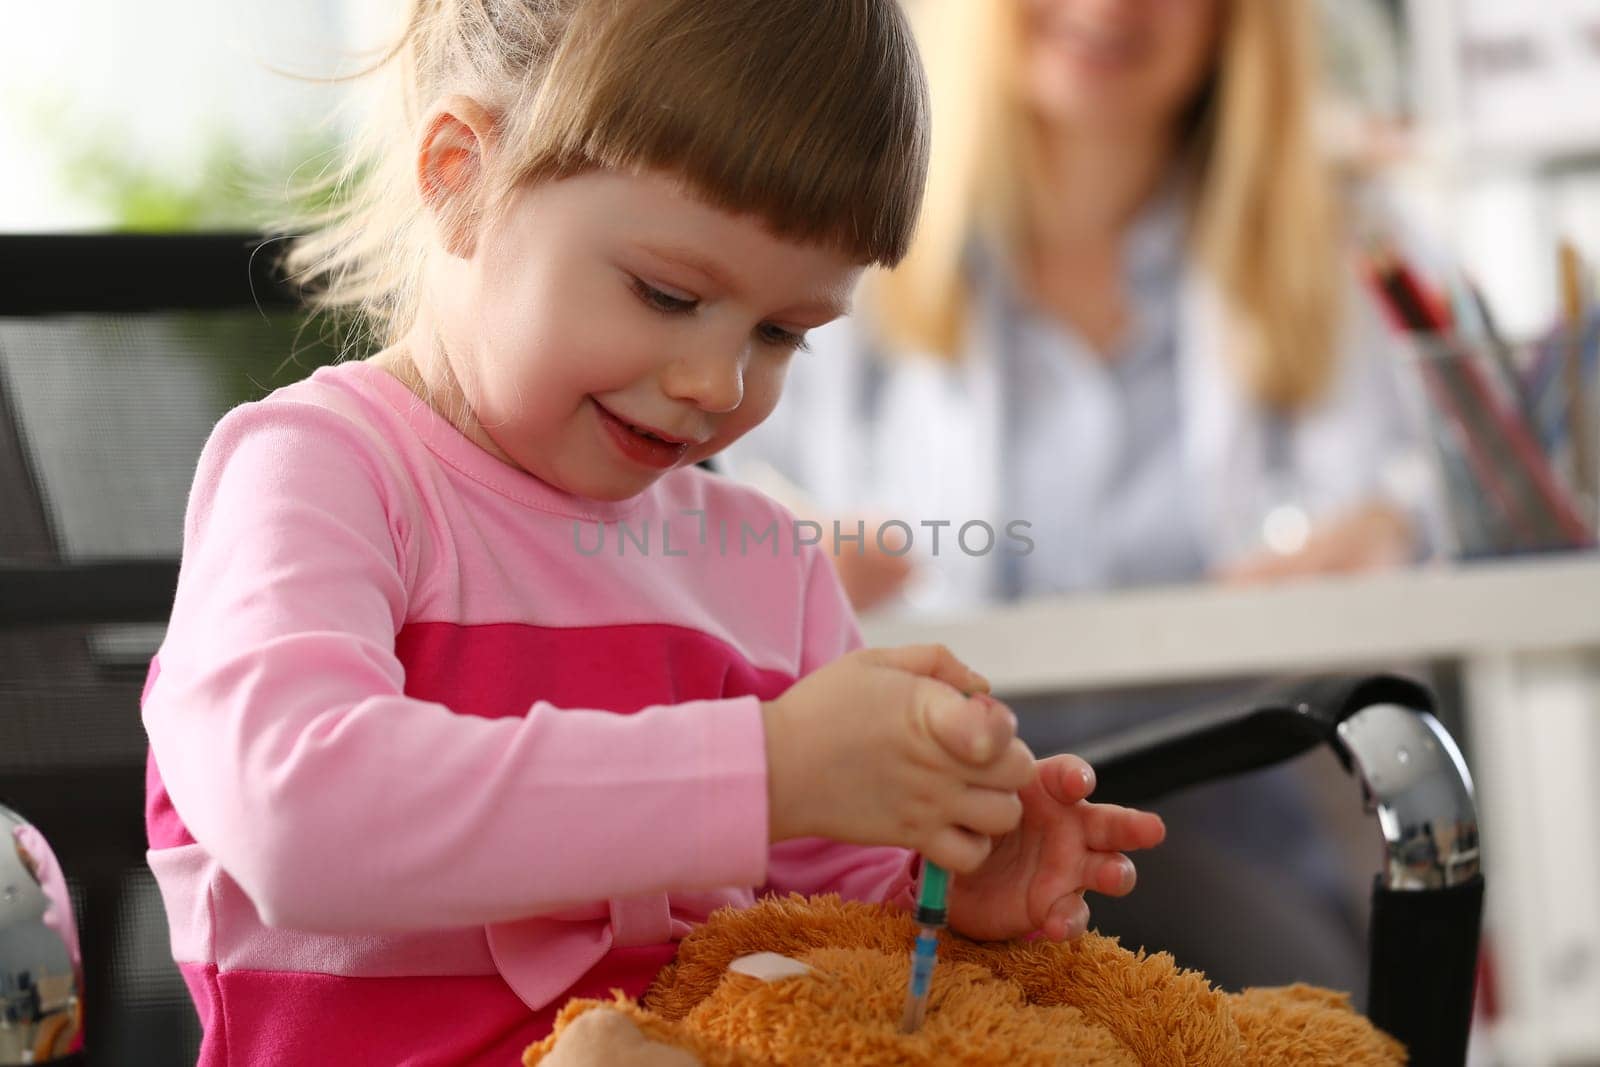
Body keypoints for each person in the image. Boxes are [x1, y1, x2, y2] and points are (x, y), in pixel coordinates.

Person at [138, 2, 1168, 1063]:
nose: (715, 383)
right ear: (459, 174)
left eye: (780, 333)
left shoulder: (767, 566)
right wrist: (762, 769)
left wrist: (947, 884)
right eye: (667, 294)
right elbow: (298, 814)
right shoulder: (324, 472)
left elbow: (828, 933)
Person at [726, 0, 1438, 996]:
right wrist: (785, 559)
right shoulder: (829, 254)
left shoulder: (1339, 254)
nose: (1108, 8)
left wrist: (1394, 532)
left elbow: (1447, 503)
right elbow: (709, 504)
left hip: (1238, 865)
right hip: (920, 857)